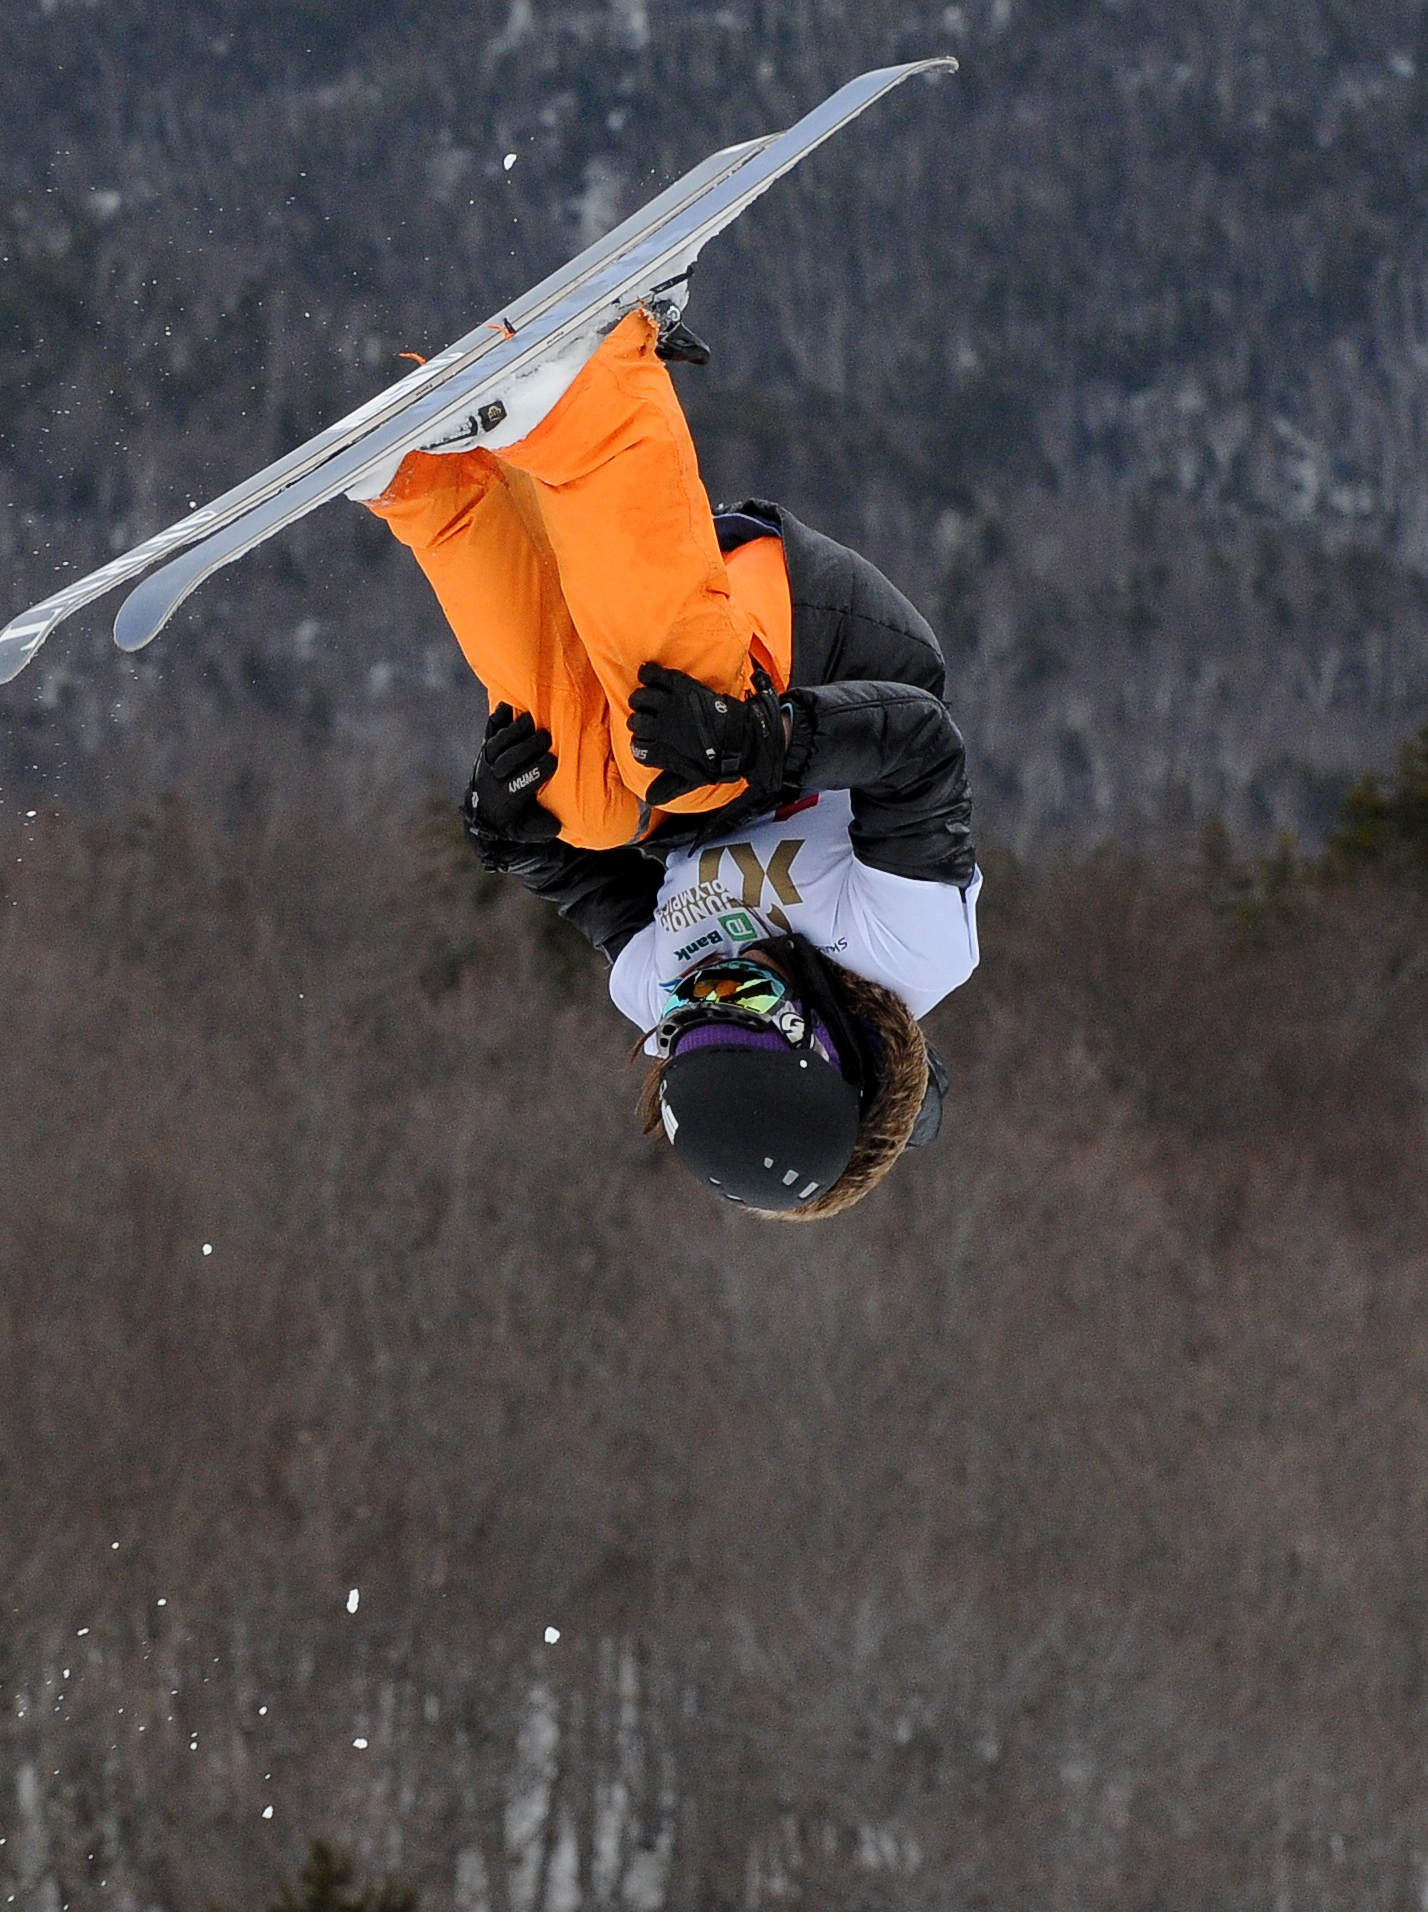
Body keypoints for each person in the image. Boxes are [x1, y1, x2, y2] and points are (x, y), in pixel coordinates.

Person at [375, 290, 978, 1218]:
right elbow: (920, 749)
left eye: (690, 1017)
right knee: (688, 780)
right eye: (747, 994)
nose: (709, 978)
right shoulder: (906, 950)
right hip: (821, 649)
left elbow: (578, 881)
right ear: (825, 1036)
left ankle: (434, 485)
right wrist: (762, 740)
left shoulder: (659, 986)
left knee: (586, 803)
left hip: (667, 700)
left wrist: (507, 826)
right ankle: (597, 396)